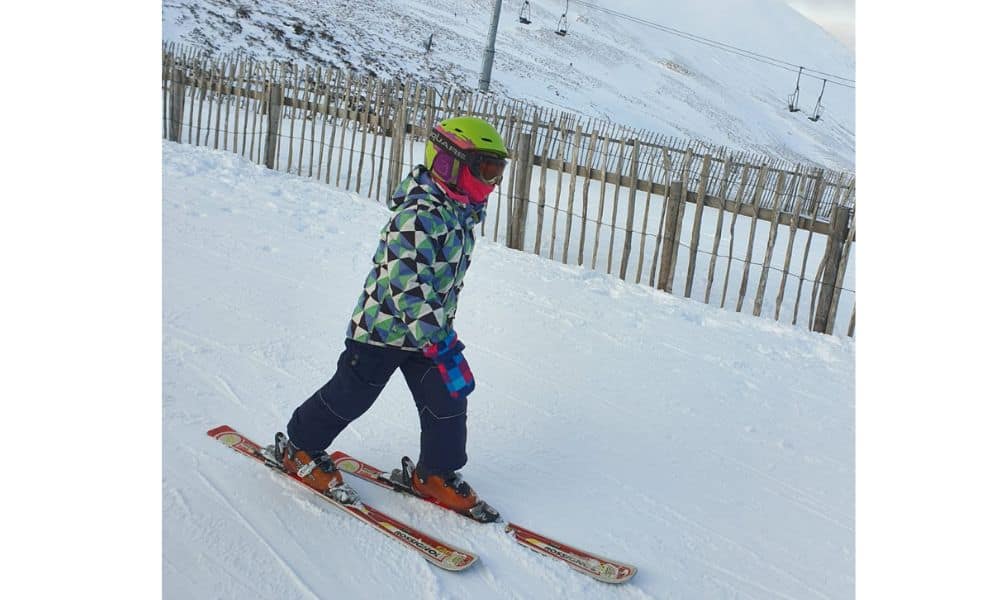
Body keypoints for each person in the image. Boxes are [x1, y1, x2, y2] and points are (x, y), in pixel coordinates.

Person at [274, 116, 508, 518]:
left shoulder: (459, 214)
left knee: (448, 396)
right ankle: (299, 447)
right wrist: (439, 340)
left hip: (426, 332)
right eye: (484, 168)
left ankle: (434, 473)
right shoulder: (419, 214)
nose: (491, 181)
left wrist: (438, 337)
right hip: (381, 330)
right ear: (449, 162)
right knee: (353, 394)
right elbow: (405, 285)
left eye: (497, 171)